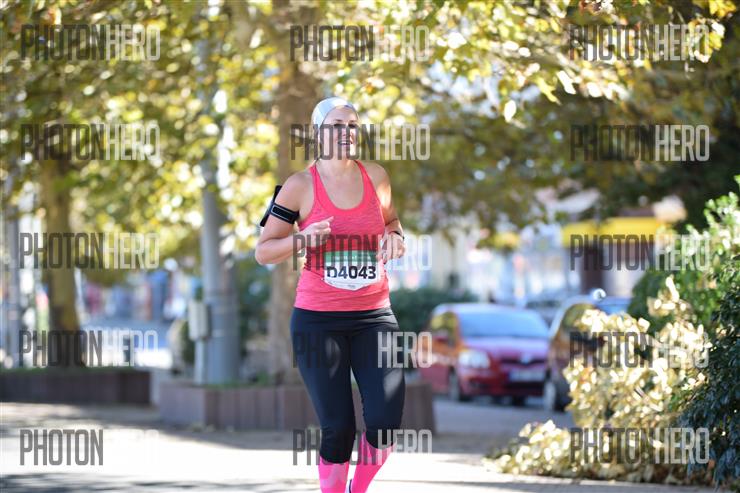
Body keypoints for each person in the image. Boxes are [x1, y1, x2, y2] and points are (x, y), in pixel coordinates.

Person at [256, 96, 406, 493]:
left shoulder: (376, 176)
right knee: (338, 429)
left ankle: (358, 488)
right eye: (336, 126)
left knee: (386, 422)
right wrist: (302, 238)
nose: (345, 133)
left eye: (352, 126)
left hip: (374, 316)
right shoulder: (299, 186)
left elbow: (391, 221)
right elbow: (263, 251)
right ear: (318, 133)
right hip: (318, 321)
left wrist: (396, 237)